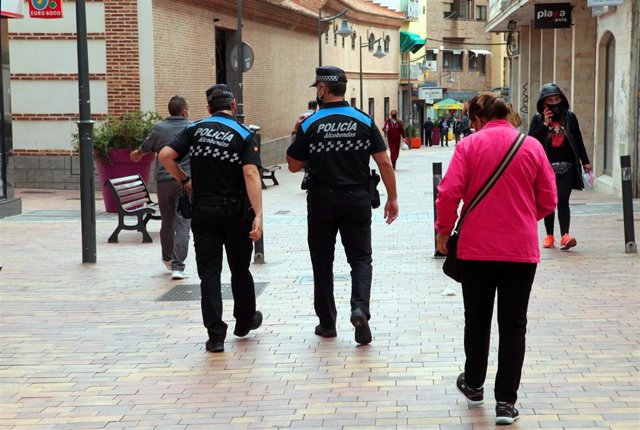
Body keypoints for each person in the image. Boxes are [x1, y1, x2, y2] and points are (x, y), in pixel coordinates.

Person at [435, 93, 557, 425]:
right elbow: (549, 197)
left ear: (476, 119)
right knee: (514, 324)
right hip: (520, 250)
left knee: (477, 319)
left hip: (476, 250)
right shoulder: (531, 146)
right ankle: (506, 402)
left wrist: (444, 231)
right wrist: (521, 218)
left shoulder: (469, 146)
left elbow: (448, 192)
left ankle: (474, 385)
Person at [287, 66, 399, 345]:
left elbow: (292, 165)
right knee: (360, 258)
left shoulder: (309, 123)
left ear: (323, 90)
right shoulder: (363, 120)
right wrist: (392, 198)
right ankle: (359, 308)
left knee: (322, 261)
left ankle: (327, 324)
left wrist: (295, 131)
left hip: (322, 200)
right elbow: (384, 161)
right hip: (357, 198)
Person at [159, 84, 264, 353]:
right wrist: (259, 214)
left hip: (203, 212)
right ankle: (244, 320)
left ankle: (216, 335)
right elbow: (251, 174)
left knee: (210, 275)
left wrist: (185, 180)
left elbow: (165, 155)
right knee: (240, 268)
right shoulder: (244, 134)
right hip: (236, 212)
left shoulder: (194, 130)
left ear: (208, 108)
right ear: (233, 106)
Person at [131, 96, 191, 280]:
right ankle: (178, 266)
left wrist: (137, 154)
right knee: (183, 223)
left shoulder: (159, 129)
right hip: (186, 181)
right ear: (185, 111)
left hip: (164, 182)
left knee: (167, 221)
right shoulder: (192, 128)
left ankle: (167, 257)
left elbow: (144, 148)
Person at [528, 83, 592, 250]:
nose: (554, 103)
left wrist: (585, 161)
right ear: (544, 102)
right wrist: (545, 125)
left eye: (557, 99)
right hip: (546, 167)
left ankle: (565, 235)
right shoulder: (538, 119)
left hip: (567, 166)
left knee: (563, 199)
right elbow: (531, 140)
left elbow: (578, 140)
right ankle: (549, 235)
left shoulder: (570, 118)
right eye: (550, 100)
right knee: (549, 202)